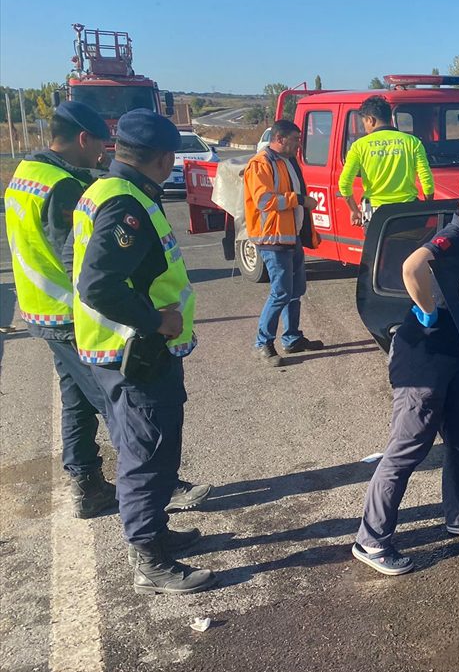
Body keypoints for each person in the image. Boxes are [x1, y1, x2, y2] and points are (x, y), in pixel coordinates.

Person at [73, 109, 215, 594]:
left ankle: (156, 533)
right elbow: (99, 284)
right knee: (145, 453)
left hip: (130, 349)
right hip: (133, 350)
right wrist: (158, 321)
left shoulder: (110, 190)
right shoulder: (125, 206)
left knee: (151, 445)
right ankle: (148, 559)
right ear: (163, 158)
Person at [353, 175, 459, 575]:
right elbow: (413, 266)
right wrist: (426, 310)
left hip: (455, 356)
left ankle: (458, 515)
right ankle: (370, 540)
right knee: (407, 448)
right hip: (424, 357)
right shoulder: (455, 235)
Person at [5, 101, 117, 517]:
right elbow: (80, 258)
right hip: (69, 313)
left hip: (39, 310)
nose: (103, 154)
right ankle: (153, 481)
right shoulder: (62, 186)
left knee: (77, 400)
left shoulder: (25, 174)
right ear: (83, 139)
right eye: (101, 144)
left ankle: (87, 485)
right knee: (115, 400)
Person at [244, 119, 324, 366]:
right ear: (280, 139)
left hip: (291, 236)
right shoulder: (260, 164)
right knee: (280, 293)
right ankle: (262, 343)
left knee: (295, 292)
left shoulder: (287, 162)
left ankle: (292, 339)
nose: (299, 145)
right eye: (295, 139)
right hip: (272, 238)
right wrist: (299, 199)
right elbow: (265, 201)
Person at [339, 95, 433, 226]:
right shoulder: (412, 142)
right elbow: (427, 180)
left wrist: (354, 210)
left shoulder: (359, 146)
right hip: (409, 210)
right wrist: (427, 207)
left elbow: (344, 184)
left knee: (376, 247)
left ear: (370, 120)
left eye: (364, 123)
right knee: (412, 246)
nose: (365, 128)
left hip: (374, 212)